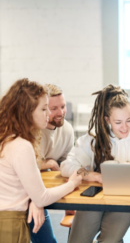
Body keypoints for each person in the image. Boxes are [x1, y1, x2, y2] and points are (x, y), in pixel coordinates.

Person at [60, 84, 130, 243]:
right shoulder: (93, 139)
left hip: (126, 201)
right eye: (118, 122)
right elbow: (67, 165)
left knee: (109, 240)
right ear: (107, 120)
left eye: (128, 120)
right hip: (95, 199)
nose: (124, 127)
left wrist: (124, 169)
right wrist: (93, 175)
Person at [0, 78, 82, 243]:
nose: (49, 114)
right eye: (44, 109)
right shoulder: (22, 145)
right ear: (27, 112)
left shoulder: (9, 138)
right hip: (10, 220)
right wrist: (72, 184)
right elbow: (42, 198)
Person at [29, 84, 75, 243]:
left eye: (62, 106)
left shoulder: (67, 130)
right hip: (26, 195)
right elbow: (23, 169)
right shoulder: (32, 131)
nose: (61, 112)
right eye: (53, 108)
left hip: (45, 190)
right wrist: (47, 163)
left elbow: (68, 165)